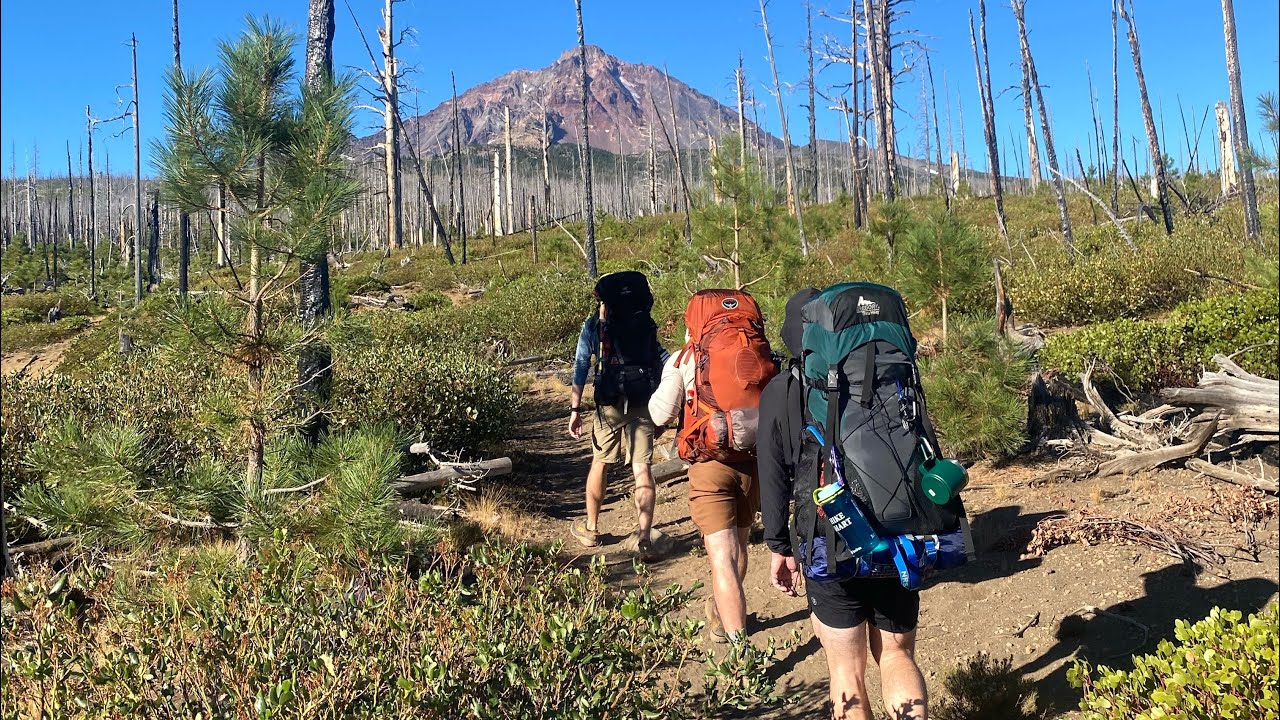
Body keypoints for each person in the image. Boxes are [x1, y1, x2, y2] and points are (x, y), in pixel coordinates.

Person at [759, 288, 929, 720]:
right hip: (896, 526)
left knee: (846, 672)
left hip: (826, 535)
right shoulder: (884, 373)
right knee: (896, 654)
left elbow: (775, 475)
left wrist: (780, 547)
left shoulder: (782, 390)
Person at [649, 289, 776, 643]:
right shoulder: (756, 348)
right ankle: (723, 616)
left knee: (721, 556)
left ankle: (740, 652)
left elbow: (660, 413)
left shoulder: (684, 359)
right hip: (753, 461)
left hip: (709, 461)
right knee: (739, 544)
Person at [568, 271, 666, 559]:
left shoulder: (595, 327)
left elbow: (581, 367)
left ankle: (591, 529)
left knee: (600, 463)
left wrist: (575, 409)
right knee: (642, 469)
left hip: (609, 402)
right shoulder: (645, 323)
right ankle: (645, 537)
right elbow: (660, 360)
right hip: (643, 399)